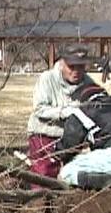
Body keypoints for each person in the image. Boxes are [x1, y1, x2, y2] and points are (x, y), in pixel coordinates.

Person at [26, 44, 96, 188]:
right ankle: (38, 204)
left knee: (74, 175)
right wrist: (68, 112)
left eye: (81, 67)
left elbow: (98, 103)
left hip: (72, 138)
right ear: (62, 63)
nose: (76, 72)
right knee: (44, 175)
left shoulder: (88, 83)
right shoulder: (47, 79)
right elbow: (39, 109)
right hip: (44, 134)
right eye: (72, 67)